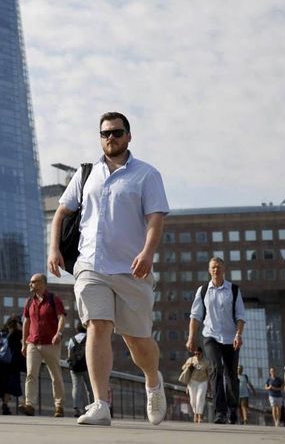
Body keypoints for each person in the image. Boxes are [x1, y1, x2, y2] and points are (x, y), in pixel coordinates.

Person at [47, 112, 170, 427]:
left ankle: (153, 381)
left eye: (116, 133)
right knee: (97, 326)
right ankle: (101, 403)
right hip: (90, 265)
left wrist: (146, 252)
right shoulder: (87, 173)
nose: (110, 138)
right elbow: (62, 212)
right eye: (104, 134)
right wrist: (54, 249)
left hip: (132, 269)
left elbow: (155, 220)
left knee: (136, 340)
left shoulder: (146, 175)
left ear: (129, 136)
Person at [186, 256, 246, 424]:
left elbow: (240, 316)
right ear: (209, 270)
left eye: (218, 267)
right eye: (213, 267)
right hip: (210, 335)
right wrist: (191, 336)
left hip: (230, 337)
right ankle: (221, 412)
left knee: (231, 374)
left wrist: (238, 335)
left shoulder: (233, 290)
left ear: (224, 269)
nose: (216, 270)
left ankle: (233, 410)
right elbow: (195, 316)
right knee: (215, 369)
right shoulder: (203, 290)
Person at [17, 273, 66, 417]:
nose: (30, 284)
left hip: (51, 343)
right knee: (31, 374)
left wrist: (59, 333)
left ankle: (59, 406)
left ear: (42, 283)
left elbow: (61, 317)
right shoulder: (29, 302)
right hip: (33, 343)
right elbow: (26, 322)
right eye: (30, 282)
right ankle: (30, 405)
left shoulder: (53, 299)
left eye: (33, 282)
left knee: (55, 376)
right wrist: (24, 343)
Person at [66, 322, 92, 417]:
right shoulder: (89, 338)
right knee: (90, 388)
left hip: (75, 367)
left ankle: (76, 408)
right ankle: (91, 408)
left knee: (76, 387)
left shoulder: (72, 339)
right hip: (87, 366)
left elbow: (69, 355)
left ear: (76, 329)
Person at [181, 348, 210, 423]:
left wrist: (209, 385)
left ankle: (199, 415)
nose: (197, 355)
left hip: (203, 382)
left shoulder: (206, 362)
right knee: (193, 400)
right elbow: (183, 368)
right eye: (195, 354)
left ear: (202, 353)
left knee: (200, 397)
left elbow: (208, 374)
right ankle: (195, 413)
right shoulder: (191, 359)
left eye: (198, 354)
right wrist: (188, 365)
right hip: (192, 382)